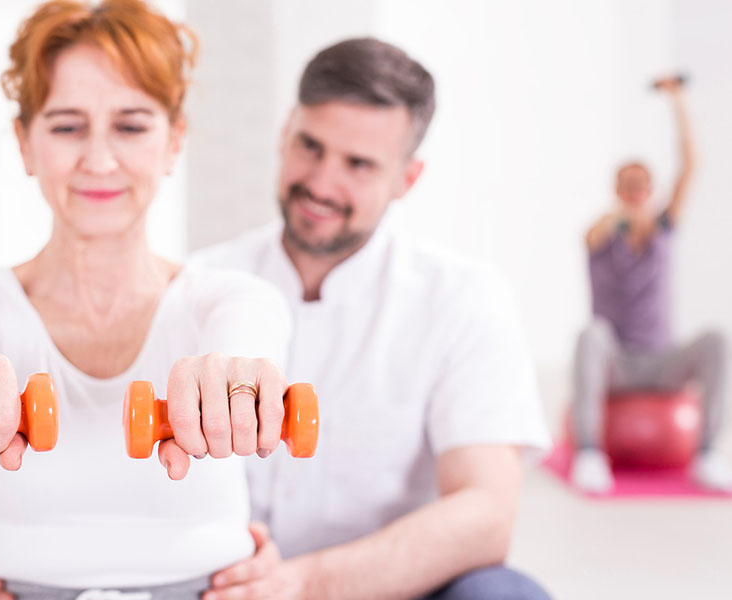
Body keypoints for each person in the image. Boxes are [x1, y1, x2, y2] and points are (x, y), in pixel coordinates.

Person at [0, 2, 295, 598]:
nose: (99, 161)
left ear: (174, 141)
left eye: (130, 126)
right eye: (68, 127)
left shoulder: (228, 298)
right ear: (25, 143)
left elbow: (249, 333)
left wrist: (237, 372)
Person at [192, 38, 552, 599]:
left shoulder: (462, 300)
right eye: (310, 146)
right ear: (285, 131)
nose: (321, 183)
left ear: (407, 179)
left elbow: (487, 512)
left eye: (358, 165)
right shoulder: (199, 284)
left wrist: (304, 584)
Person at [570, 76, 730, 494]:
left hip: (662, 361)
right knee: (590, 335)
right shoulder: (600, 235)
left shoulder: (664, 229)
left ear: (652, 190)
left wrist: (678, 101)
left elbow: (691, 166)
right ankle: (589, 451)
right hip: (617, 363)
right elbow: (591, 234)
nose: (638, 192)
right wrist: (621, 216)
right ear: (618, 190)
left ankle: (709, 451)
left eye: (644, 186)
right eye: (629, 185)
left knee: (717, 339)